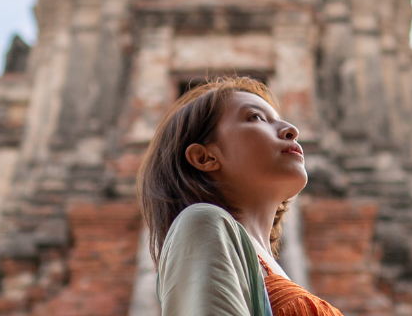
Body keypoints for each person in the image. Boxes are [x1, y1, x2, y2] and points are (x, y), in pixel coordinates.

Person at [138, 76, 344, 316]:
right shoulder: (203, 222)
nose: (291, 130)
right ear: (205, 158)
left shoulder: (264, 264)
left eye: (279, 119)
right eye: (256, 117)